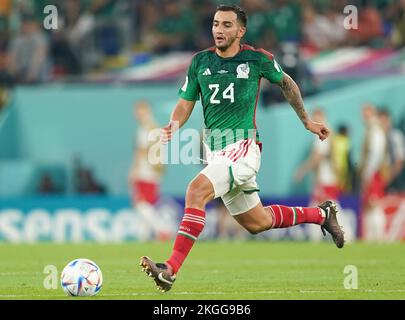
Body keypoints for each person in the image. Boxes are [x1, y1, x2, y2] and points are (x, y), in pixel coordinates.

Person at [140, 5, 344, 292]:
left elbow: (287, 84)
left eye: (226, 25)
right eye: (215, 24)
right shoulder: (200, 62)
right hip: (216, 152)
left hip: (242, 147)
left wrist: (306, 120)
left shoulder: (257, 59)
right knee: (257, 222)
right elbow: (186, 101)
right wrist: (174, 124)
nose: (218, 30)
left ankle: (170, 268)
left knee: (195, 191)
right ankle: (322, 215)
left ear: (240, 31)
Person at [128, 101, 169, 241]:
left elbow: (141, 151)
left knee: (140, 203)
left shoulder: (145, 128)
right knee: (147, 204)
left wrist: (134, 170)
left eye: (140, 111)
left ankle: (162, 229)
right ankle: (144, 236)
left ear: (147, 111)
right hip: (155, 170)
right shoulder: (155, 127)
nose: (138, 114)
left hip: (145, 170)